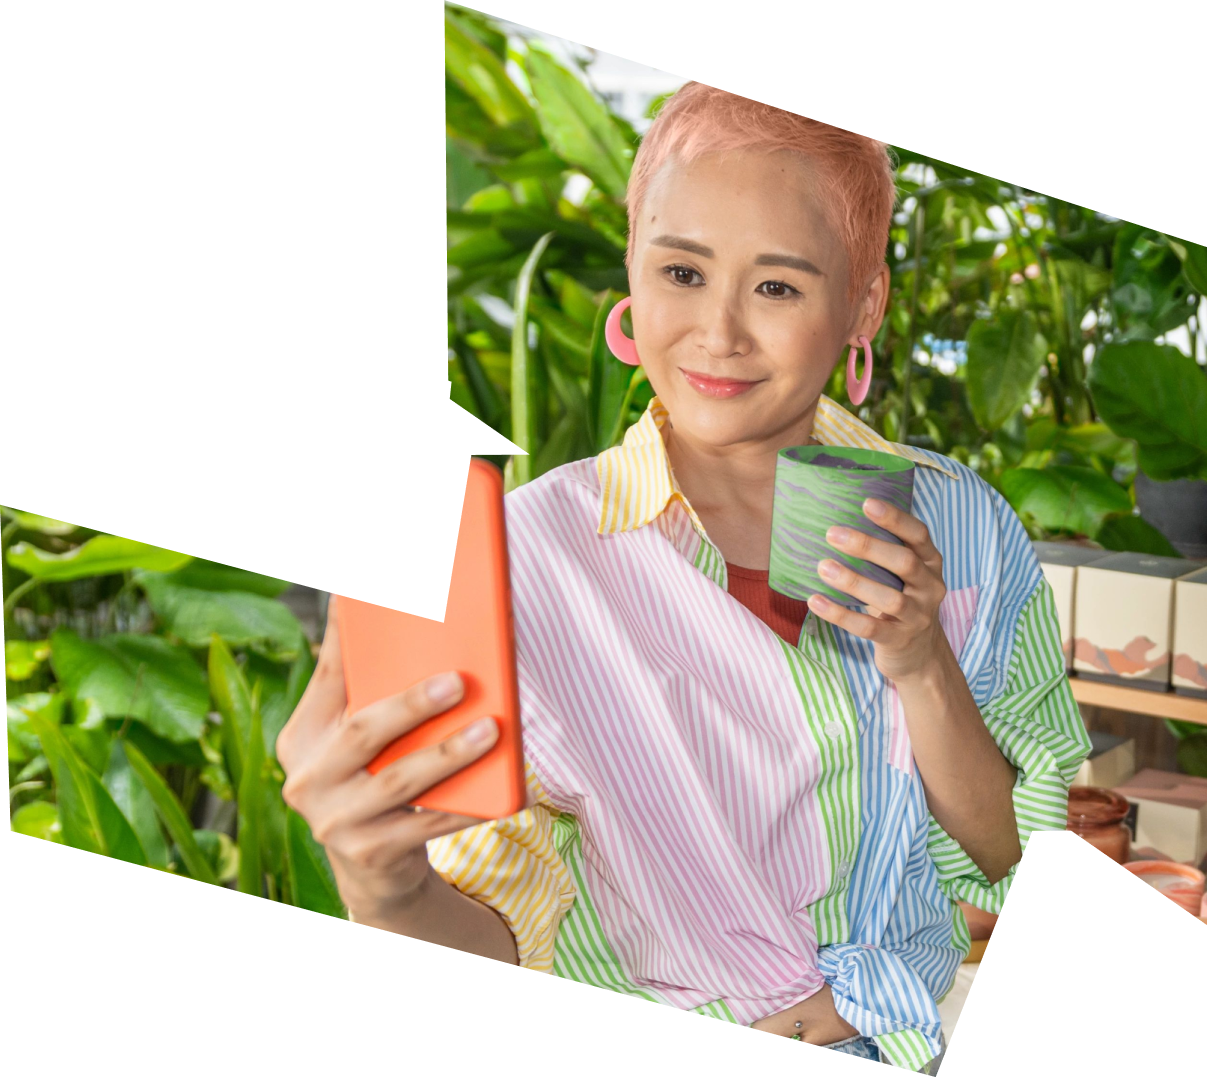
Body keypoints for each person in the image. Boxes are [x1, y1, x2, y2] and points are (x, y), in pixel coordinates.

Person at [279, 84, 1089, 1070]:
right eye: (682, 271)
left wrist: (921, 663)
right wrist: (385, 886)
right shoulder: (525, 560)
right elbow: (505, 928)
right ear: (634, 268)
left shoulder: (962, 522)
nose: (719, 333)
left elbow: (1013, 857)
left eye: (778, 287)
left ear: (861, 302)